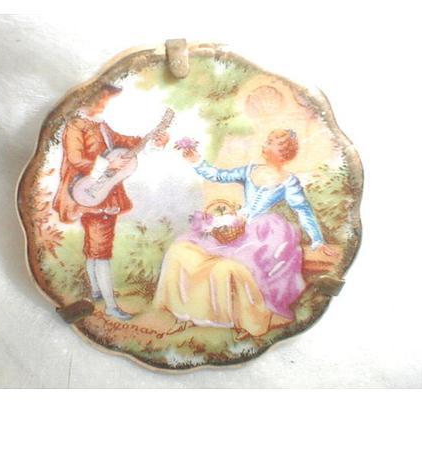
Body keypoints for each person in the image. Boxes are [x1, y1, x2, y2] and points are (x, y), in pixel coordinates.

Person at [154, 129, 334, 336]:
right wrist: (196, 160)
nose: (264, 144)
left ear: (282, 152)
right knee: (184, 251)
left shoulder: (288, 181)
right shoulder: (250, 170)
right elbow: (218, 175)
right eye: (267, 140)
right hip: (239, 224)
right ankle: (191, 310)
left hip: (266, 233)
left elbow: (303, 210)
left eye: (270, 142)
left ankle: (248, 317)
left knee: (236, 265)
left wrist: (318, 240)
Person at [53, 85, 169, 320]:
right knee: (101, 251)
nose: (104, 104)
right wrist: (107, 165)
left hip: (103, 192)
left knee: (95, 246)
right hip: (87, 193)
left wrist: (152, 140)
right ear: (88, 101)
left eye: (106, 100)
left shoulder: (101, 126)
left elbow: (124, 142)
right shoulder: (75, 126)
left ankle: (96, 291)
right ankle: (111, 306)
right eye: (102, 100)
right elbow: (75, 158)